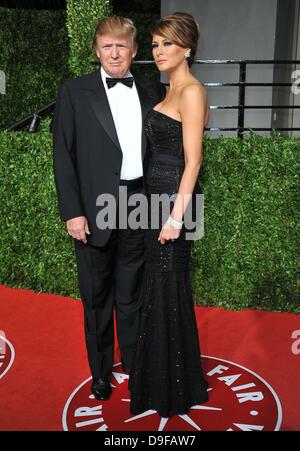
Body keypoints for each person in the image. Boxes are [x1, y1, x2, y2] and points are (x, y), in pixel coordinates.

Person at [52, 15, 165, 401]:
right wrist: (72, 212)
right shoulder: (74, 91)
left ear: (133, 51)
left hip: (139, 202)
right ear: (97, 50)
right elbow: (63, 156)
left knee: (132, 294)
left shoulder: (152, 89)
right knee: (97, 296)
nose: (114, 53)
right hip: (93, 208)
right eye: (106, 46)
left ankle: (134, 367)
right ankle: (100, 373)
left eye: (121, 46)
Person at [129, 12, 209, 417]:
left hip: (172, 204)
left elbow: (193, 162)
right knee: (158, 289)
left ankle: (173, 389)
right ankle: (160, 379)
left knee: (168, 289)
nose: (159, 51)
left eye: (168, 45)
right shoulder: (168, 89)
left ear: (187, 49)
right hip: (152, 199)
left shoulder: (192, 91)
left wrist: (176, 218)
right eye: (156, 44)